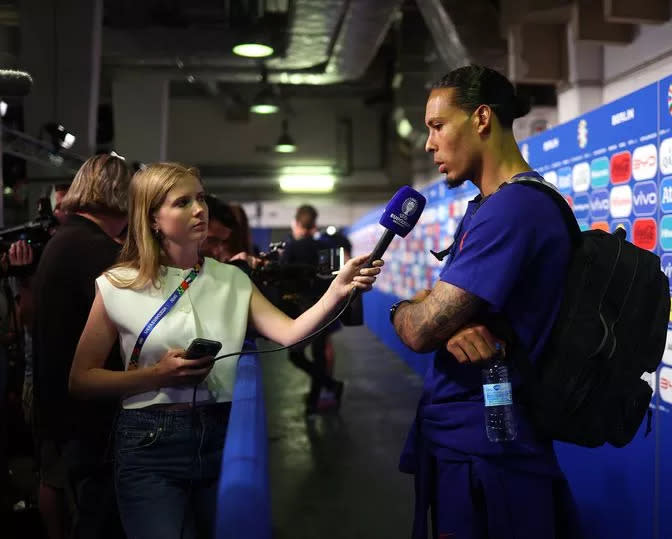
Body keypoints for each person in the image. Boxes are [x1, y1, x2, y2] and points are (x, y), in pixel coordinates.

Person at [68, 163, 382, 538]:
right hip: (148, 449)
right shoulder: (117, 284)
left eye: (199, 198)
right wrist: (157, 375)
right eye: (182, 202)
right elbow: (80, 379)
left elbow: (290, 333)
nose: (199, 209)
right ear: (152, 218)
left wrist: (337, 290)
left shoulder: (232, 279)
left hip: (221, 436)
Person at [390, 65, 580, 538]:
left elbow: (420, 328)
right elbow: (440, 313)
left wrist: (404, 310)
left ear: (480, 119)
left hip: (492, 455)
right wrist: (439, 316)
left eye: (437, 126)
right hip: (471, 445)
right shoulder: (489, 207)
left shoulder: (515, 209)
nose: (429, 144)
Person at [32, 154, 131, 539]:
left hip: (61, 406)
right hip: (89, 416)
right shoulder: (97, 252)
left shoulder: (67, 241)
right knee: (99, 520)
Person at [281, 204, 344, 415]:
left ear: (297, 223)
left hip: (299, 311)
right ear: (315, 224)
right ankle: (320, 395)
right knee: (319, 355)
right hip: (323, 309)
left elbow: (282, 281)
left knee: (296, 356)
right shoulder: (326, 247)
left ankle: (326, 389)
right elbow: (333, 279)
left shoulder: (291, 248)